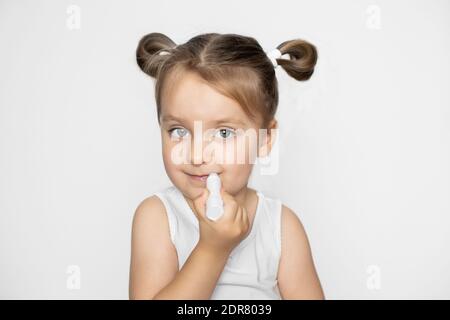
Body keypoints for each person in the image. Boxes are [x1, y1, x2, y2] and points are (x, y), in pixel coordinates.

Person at [129, 32, 324, 300]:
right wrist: (213, 249)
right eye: (178, 131)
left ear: (265, 139)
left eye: (223, 133)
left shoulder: (281, 227)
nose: (197, 155)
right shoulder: (157, 217)